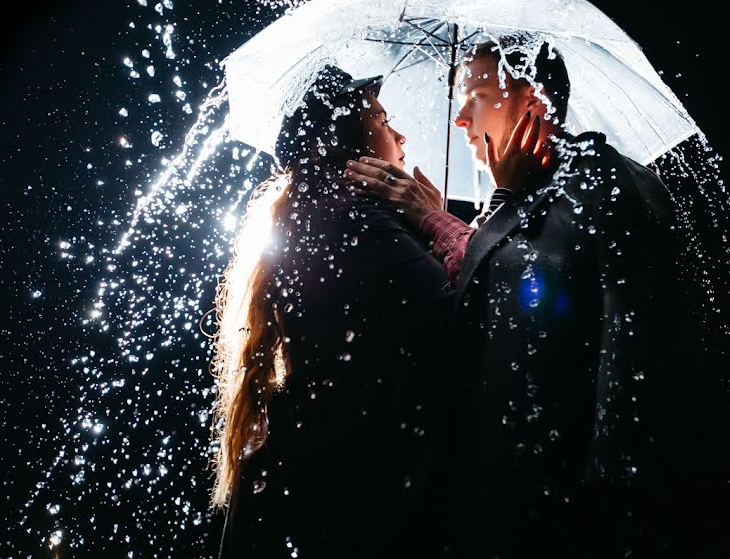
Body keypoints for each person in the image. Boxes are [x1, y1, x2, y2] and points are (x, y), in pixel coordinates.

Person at [345, 39, 702, 556]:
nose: (460, 120)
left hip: (572, 506)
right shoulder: (548, 185)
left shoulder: (598, 179)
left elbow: (520, 307)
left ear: (531, 99)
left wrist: (435, 220)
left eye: (476, 96)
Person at [210, 65, 452, 558]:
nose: (400, 134)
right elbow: (467, 321)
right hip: (352, 501)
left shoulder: (314, 211)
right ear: (342, 136)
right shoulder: (357, 216)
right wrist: (438, 223)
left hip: (309, 491)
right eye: (382, 119)